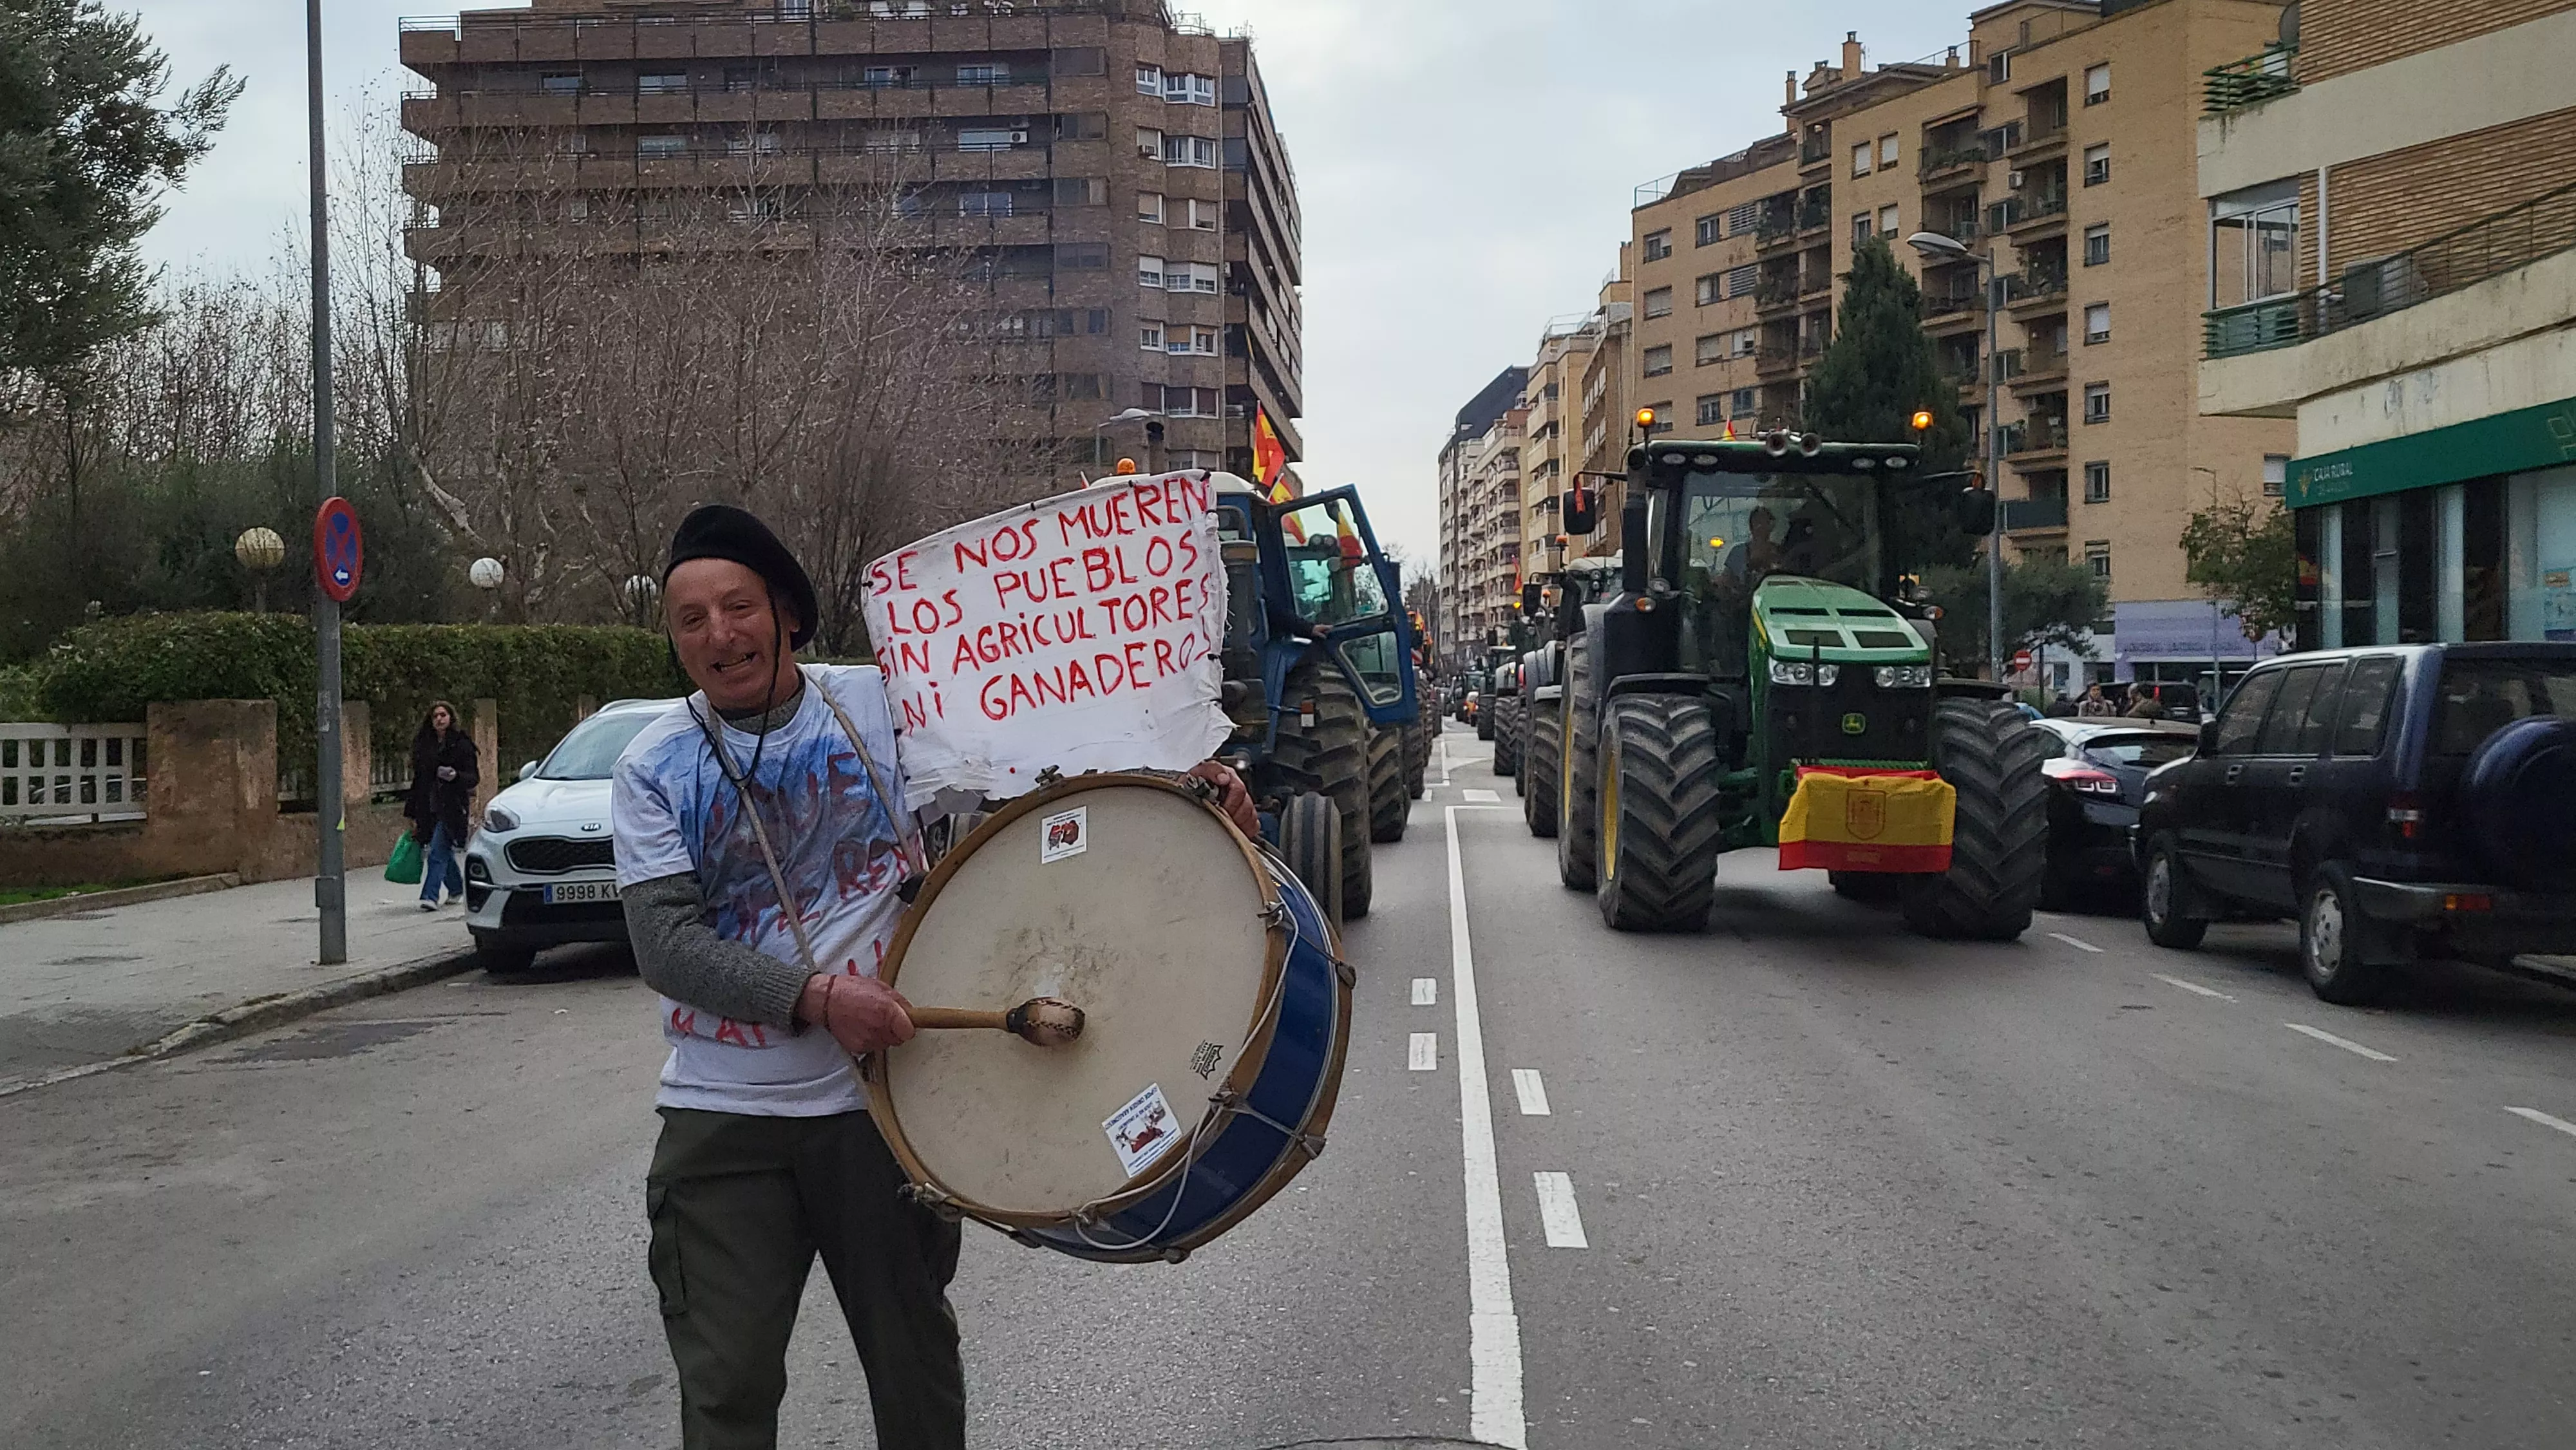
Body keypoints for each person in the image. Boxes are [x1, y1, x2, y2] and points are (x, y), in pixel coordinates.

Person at [613, 505, 1256, 1450]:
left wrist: (1184, 776)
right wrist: (816, 998)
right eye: (691, 620)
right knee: (726, 1389)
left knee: (913, 1367)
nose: (719, 635)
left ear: (786, 612)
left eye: (738, 607)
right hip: (725, 1123)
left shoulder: (890, 706)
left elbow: (1045, 765)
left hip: (890, 1114)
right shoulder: (653, 766)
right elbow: (664, 945)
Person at [404, 701, 477, 910]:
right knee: (442, 851)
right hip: (428, 807)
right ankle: (456, 889)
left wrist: (456, 776)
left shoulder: (461, 744)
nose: (439, 719)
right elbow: (418, 782)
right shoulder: (425, 746)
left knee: (436, 851)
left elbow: (473, 778)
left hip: (452, 807)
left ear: (450, 718)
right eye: (435, 716)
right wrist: (412, 812)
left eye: (443, 715)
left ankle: (430, 896)